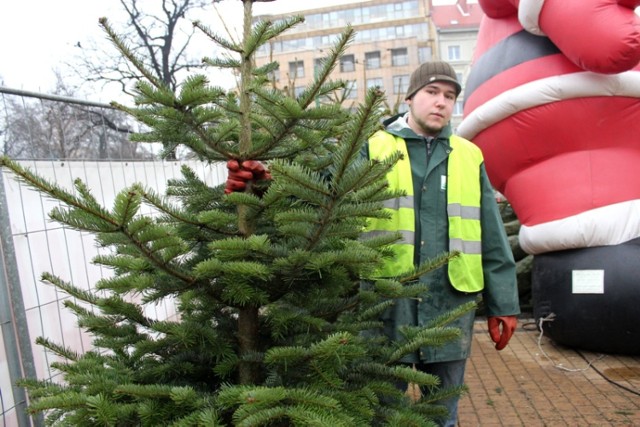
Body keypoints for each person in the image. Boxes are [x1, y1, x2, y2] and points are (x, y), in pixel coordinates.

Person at [224, 60, 520, 427]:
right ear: (410, 98)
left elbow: (491, 234)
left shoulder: (467, 156)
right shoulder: (374, 147)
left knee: (443, 413)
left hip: (450, 305)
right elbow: (325, 192)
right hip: (383, 301)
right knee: (381, 411)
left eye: (449, 95)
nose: (441, 102)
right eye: (432, 92)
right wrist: (263, 182)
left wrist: (504, 304)